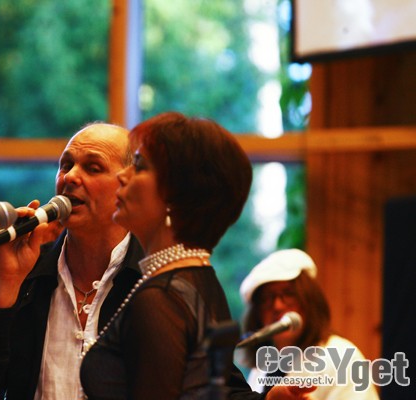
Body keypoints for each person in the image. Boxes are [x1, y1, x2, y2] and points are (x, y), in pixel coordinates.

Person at [79, 112, 311, 399]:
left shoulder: (161, 297)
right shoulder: (198, 279)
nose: (122, 176)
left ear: (175, 195)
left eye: (139, 166)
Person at [0, 122, 146, 399]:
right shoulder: (27, 271)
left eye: (93, 168)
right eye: (66, 165)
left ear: (129, 186)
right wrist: (6, 283)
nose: (70, 176)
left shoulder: (151, 277)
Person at [238, 248, 380, 399]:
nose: (277, 306)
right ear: (257, 313)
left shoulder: (341, 356)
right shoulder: (264, 365)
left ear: (309, 300)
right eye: (267, 298)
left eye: (289, 294)